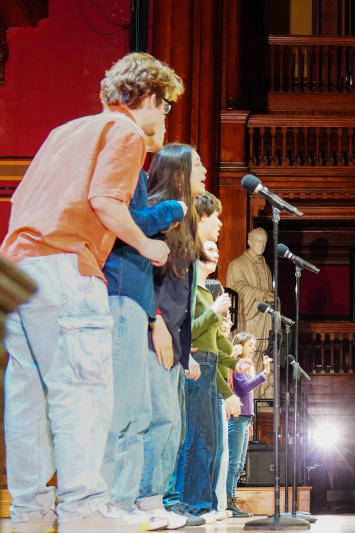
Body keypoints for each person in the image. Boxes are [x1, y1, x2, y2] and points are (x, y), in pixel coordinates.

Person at [2, 52, 182, 533]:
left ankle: (31, 513)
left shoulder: (63, 132)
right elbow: (104, 199)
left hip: (13, 268)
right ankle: (83, 510)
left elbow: (21, 199)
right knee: (81, 392)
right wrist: (147, 244)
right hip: (65, 264)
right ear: (146, 96)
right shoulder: (124, 132)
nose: (164, 116)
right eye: (164, 106)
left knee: (28, 398)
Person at [97, 114, 187, 533]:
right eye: (163, 109)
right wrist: (171, 211)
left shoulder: (133, 165)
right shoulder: (124, 158)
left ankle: (123, 501)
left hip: (135, 299)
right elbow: (126, 223)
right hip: (119, 292)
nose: (166, 120)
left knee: (138, 411)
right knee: (122, 411)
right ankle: (110, 501)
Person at [137, 144, 212, 528]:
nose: (204, 169)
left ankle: (154, 499)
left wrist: (184, 350)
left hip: (174, 341)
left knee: (173, 425)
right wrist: (157, 322)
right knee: (159, 419)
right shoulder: (157, 213)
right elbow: (142, 274)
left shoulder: (187, 219)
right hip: (153, 332)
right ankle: (144, 500)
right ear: (178, 171)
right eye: (197, 164)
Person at [177, 234, 252, 522]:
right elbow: (190, 331)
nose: (217, 252)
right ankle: (189, 503)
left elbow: (215, 344)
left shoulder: (206, 294)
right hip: (196, 366)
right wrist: (213, 312)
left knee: (209, 442)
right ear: (195, 254)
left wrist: (236, 362)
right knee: (195, 439)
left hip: (208, 364)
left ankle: (204, 504)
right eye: (210, 248)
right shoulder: (191, 292)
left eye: (217, 248)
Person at [227, 332, 273, 517]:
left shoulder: (245, 367)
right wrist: (265, 373)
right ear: (240, 345)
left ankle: (231, 499)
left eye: (254, 344)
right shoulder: (237, 365)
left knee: (239, 465)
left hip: (245, 418)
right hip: (238, 417)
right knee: (234, 462)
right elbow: (245, 388)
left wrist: (250, 419)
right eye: (250, 345)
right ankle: (228, 501)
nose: (253, 348)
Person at [226, 227, 276, 399]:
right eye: (258, 241)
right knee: (249, 350)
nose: (261, 245)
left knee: (263, 349)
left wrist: (270, 298)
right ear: (249, 242)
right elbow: (237, 288)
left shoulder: (267, 268)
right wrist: (261, 294)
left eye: (264, 242)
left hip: (264, 316)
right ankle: (249, 391)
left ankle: (260, 389)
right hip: (248, 316)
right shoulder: (238, 264)